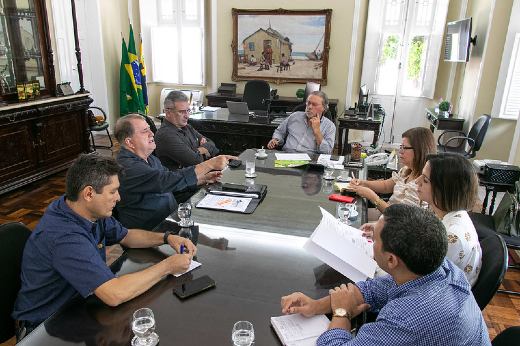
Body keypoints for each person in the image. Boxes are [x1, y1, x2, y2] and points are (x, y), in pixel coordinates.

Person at [12, 155, 197, 340]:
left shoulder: (82, 209)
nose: (118, 198)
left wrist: (168, 238)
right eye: (113, 191)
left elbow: (127, 236)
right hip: (46, 328)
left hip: (80, 305)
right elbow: (114, 294)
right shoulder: (64, 237)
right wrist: (167, 266)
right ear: (89, 193)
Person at [280, 204, 490, 346]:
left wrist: (342, 312)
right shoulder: (440, 267)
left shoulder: (407, 320)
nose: (370, 242)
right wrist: (316, 306)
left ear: (391, 260)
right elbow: (375, 289)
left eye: (375, 240)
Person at [114, 114, 236, 231]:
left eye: (150, 129)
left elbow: (171, 180)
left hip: (171, 221)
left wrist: (202, 179)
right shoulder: (127, 167)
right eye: (144, 131)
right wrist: (210, 164)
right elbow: (165, 180)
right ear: (129, 142)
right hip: (150, 232)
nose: (152, 134)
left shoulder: (149, 157)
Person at [415, 153, 482, 286]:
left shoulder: (451, 236)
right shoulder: (450, 215)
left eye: (425, 180)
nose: (417, 181)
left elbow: (416, 280)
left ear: (445, 190)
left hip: (435, 300)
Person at [349, 127, 436, 213]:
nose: (400, 152)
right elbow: (385, 186)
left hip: (393, 221)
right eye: (400, 147)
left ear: (418, 150)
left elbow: (398, 216)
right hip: (385, 217)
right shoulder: (407, 170)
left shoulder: (419, 186)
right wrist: (363, 183)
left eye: (404, 148)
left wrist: (371, 196)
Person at [155, 90, 219, 170]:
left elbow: (213, 146)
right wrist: (203, 151)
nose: (187, 116)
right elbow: (196, 162)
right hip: (180, 180)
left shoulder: (186, 127)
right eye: (182, 112)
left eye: (188, 111)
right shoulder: (165, 135)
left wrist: (196, 151)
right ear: (168, 112)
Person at [267, 91, 335, 155]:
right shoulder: (295, 116)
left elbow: (327, 152)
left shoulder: (329, 126)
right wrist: (275, 139)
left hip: (310, 161)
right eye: (308, 103)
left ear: (324, 108)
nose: (309, 107)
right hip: (287, 156)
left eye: (314, 104)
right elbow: (280, 131)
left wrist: (317, 131)